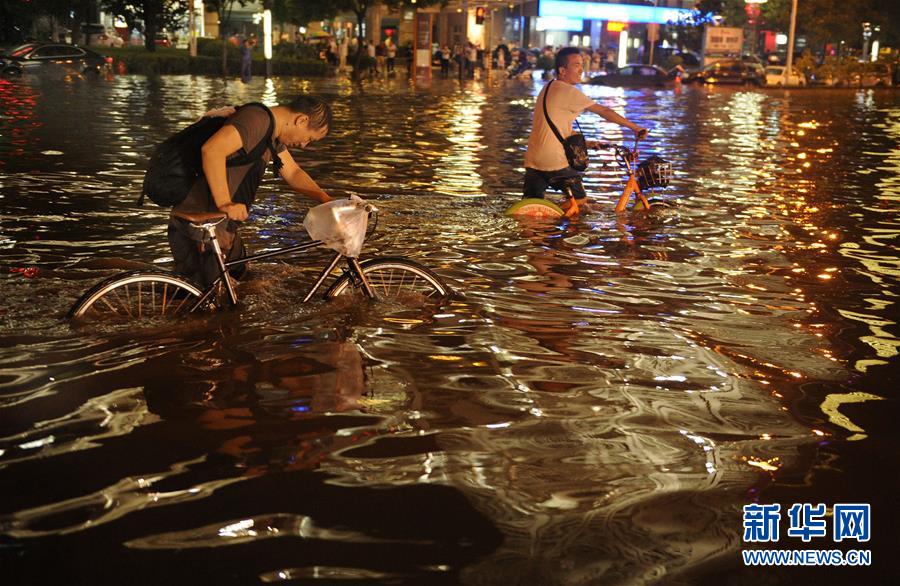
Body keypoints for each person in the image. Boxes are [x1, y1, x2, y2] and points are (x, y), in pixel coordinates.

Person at [168, 96, 333, 288]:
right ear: (301, 120)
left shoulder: (271, 134)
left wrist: (326, 198)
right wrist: (225, 203)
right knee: (209, 307)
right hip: (201, 226)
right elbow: (212, 150)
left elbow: (293, 172)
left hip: (223, 227)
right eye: (310, 138)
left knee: (246, 284)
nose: (305, 145)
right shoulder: (256, 120)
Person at [522, 47, 647, 214]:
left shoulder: (548, 87)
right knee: (581, 202)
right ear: (562, 70)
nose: (581, 69)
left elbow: (556, 129)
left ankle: (547, 216)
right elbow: (605, 112)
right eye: (576, 65)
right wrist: (635, 128)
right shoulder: (568, 91)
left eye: (582, 64)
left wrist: (587, 144)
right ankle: (560, 219)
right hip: (553, 161)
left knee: (531, 207)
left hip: (533, 160)